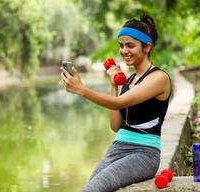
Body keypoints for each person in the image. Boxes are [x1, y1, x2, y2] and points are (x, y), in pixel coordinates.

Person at [60, 13, 171, 192]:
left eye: (130, 45)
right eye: (121, 46)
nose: (124, 51)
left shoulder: (159, 78)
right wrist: (114, 85)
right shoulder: (130, 80)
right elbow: (116, 126)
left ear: (147, 47)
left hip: (144, 153)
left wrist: (82, 90)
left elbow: (118, 104)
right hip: (118, 147)